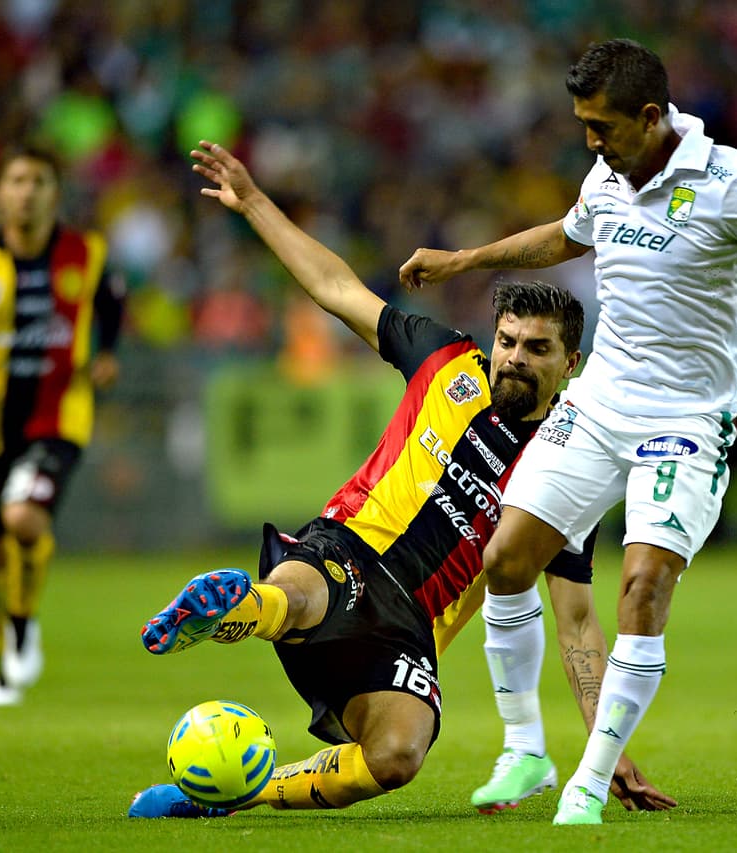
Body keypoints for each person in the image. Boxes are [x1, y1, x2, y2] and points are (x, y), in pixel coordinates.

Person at [127, 140, 676, 819]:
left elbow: (577, 623)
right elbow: (336, 289)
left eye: (537, 349)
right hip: (350, 548)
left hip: (410, 626)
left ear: (571, 364)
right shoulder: (445, 360)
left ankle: (238, 794)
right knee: (297, 595)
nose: (513, 358)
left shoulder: (571, 467)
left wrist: (604, 745)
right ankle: (231, 610)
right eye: (507, 341)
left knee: (396, 755)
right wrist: (257, 202)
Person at [398, 38, 737, 825]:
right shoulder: (607, 174)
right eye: (583, 124)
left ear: (649, 116)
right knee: (505, 559)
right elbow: (566, 236)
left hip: (686, 420)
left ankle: (592, 777)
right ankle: (526, 749)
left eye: (601, 126)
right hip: (599, 403)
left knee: (642, 584)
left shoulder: (728, 180)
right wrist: (465, 260)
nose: (590, 140)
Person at [0, 144, 124, 706]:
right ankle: (11, 645)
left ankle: (20, 627)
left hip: (59, 419)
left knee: (23, 518)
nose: (26, 192)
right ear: (0, 193)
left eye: (38, 181)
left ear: (55, 193)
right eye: (16, 181)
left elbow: (112, 307)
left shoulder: (87, 253)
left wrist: (106, 354)